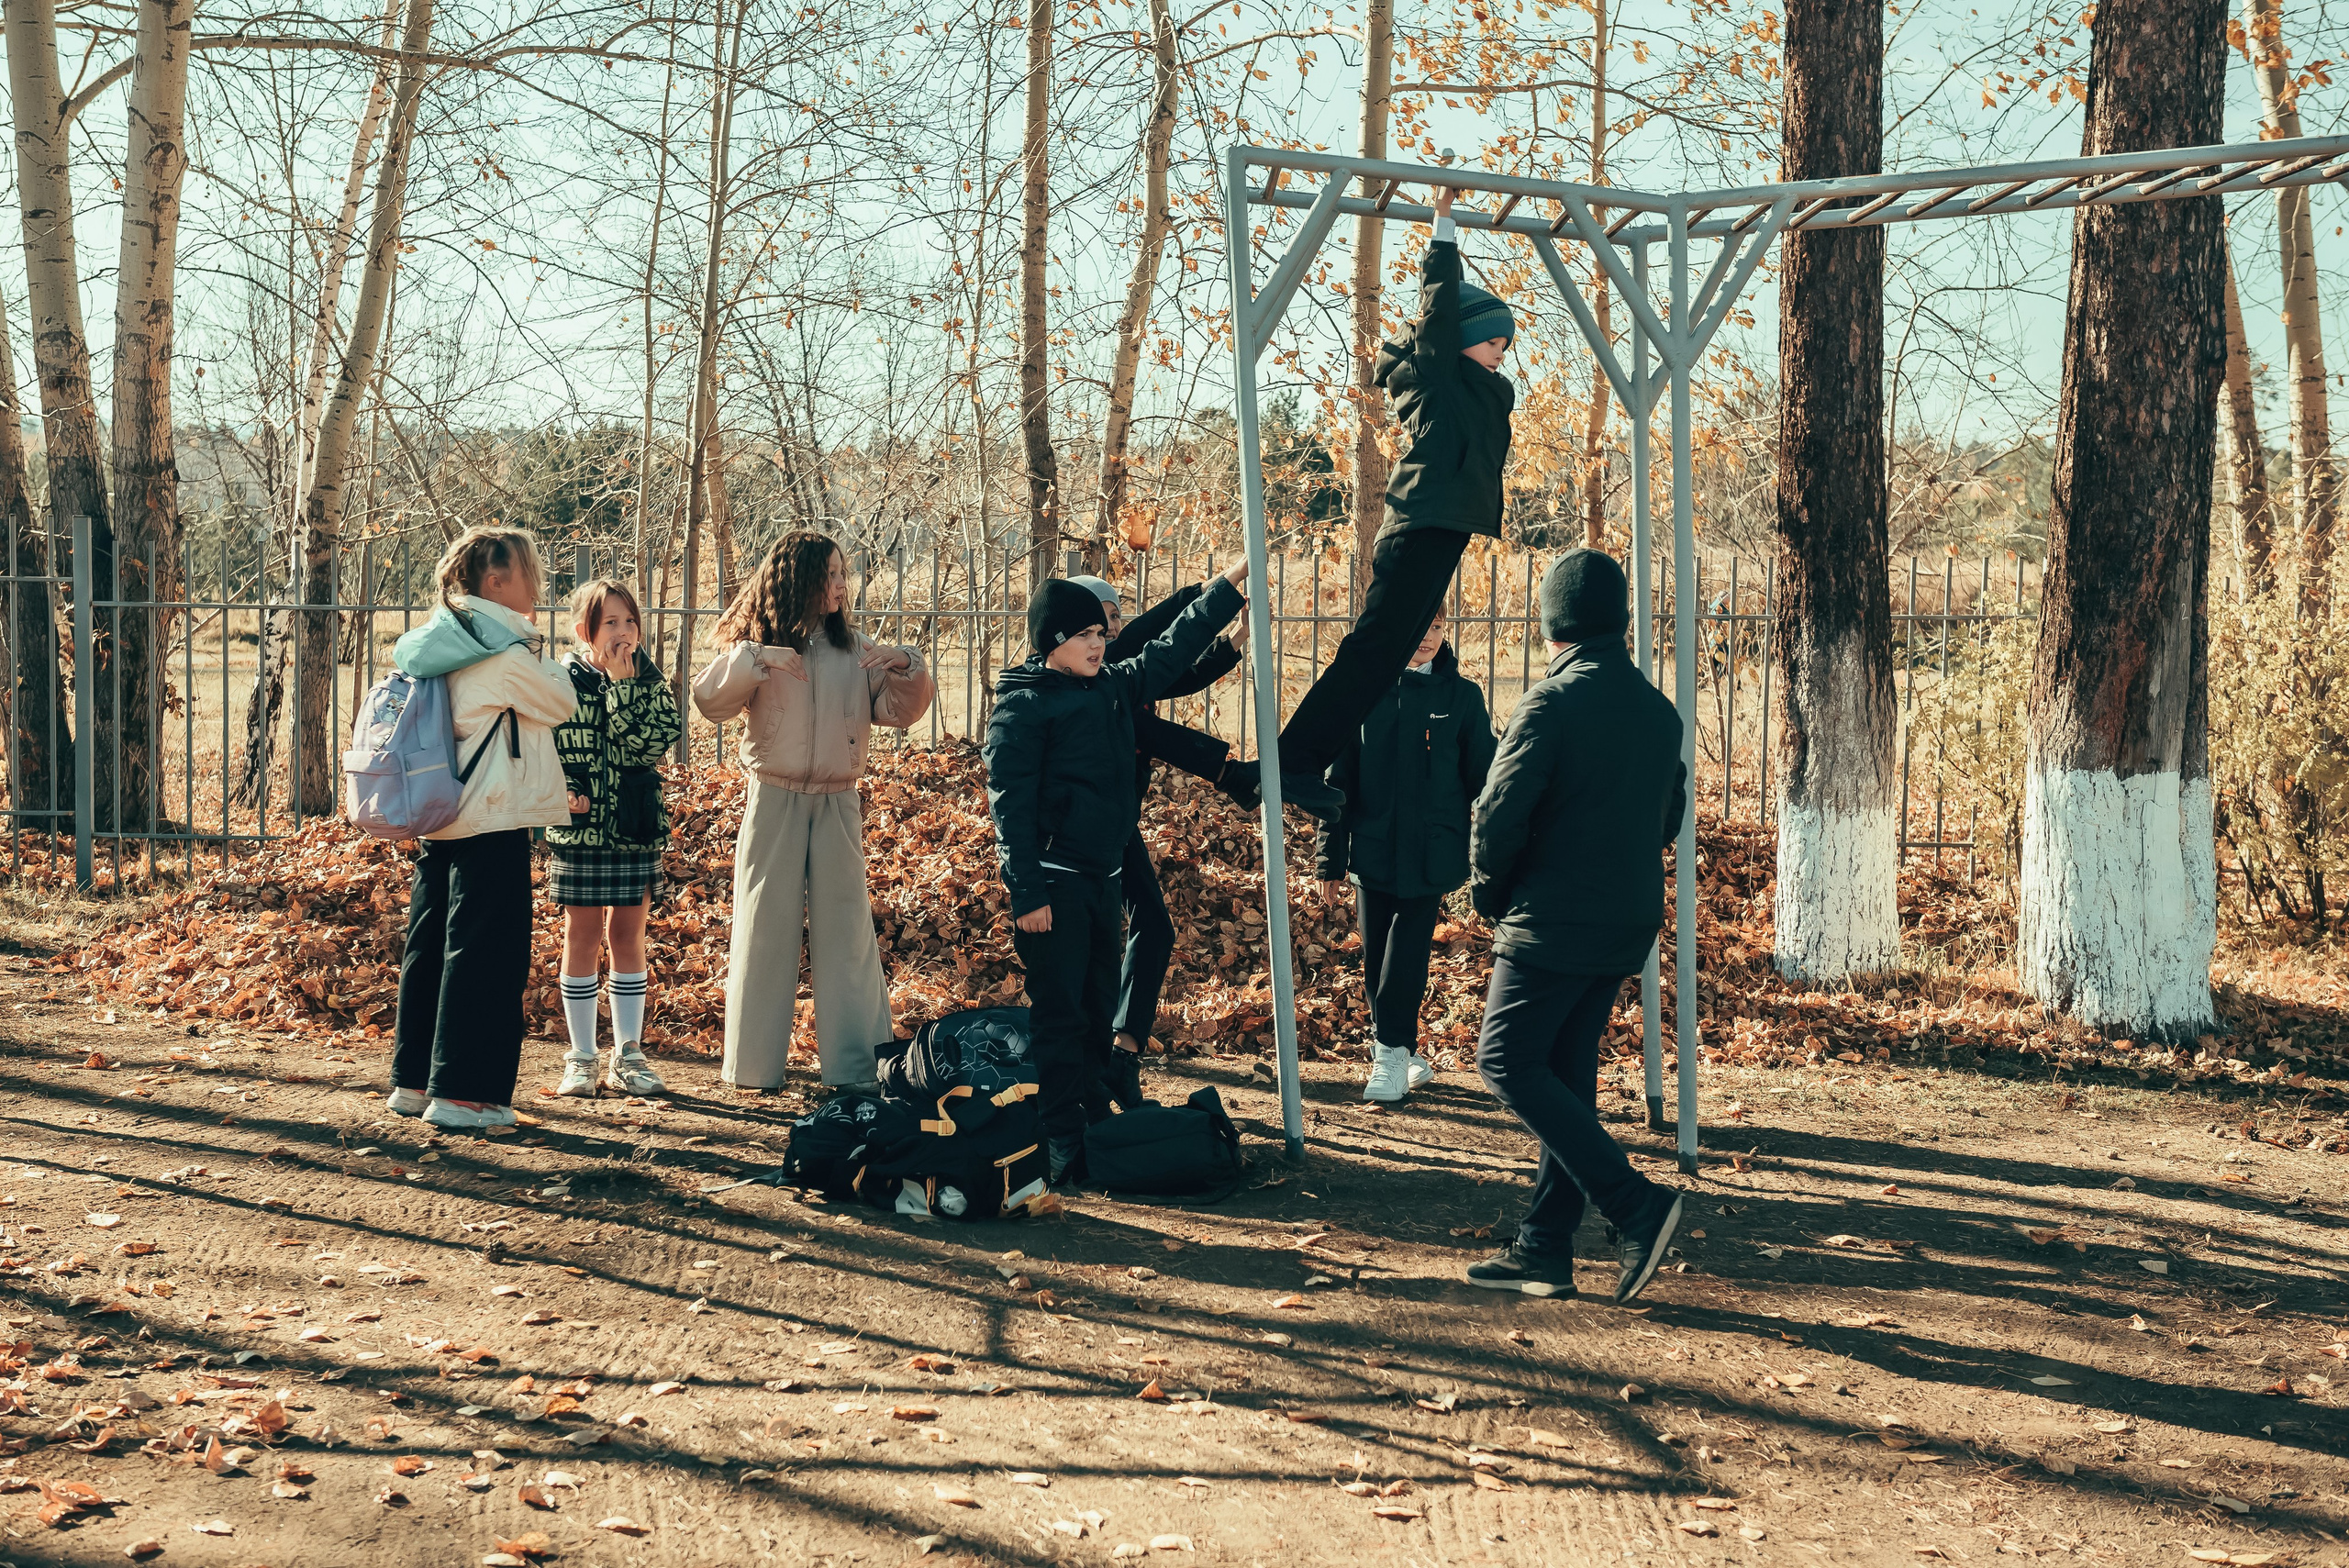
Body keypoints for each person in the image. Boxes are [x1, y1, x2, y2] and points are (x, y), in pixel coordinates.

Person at [1464, 548, 1687, 1305]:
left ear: (1551, 622)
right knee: (1565, 1074)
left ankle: (1635, 1204)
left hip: (1551, 917)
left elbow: (1497, 815)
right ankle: (1545, 1247)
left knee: (1504, 1060)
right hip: (1625, 919)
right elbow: (1670, 817)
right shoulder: (1658, 712)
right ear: (1619, 621)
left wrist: (1490, 895)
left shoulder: (1548, 704)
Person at [985, 561, 1249, 1184]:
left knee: (1100, 1006)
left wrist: (1229, 589)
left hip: (1102, 880)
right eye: (1086, 636)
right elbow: (1010, 806)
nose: (1101, 643)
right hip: (1052, 886)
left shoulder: (1107, 684)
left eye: (1102, 635)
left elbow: (1168, 650)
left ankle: (1091, 1115)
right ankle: (1059, 1136)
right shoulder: (1022, 709)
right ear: (1055, 644)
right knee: (1060, 1014)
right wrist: (1027, 892)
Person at [1272, 186, 1514, 821]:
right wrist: (1443, 230)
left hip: (1447, 526)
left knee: (1381, 661)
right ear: (1459, 340)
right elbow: (1435, 316)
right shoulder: (1439, 378)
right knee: (1373, 651)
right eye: (1493, 341)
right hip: (1420, 525)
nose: (1501, 354)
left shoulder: (1485, 391)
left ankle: (1298, 760)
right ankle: (1291, 759)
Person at [692, 532, 935, 1095]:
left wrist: (908, 664)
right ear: (798, 580)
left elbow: (902, 709)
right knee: (763, 929)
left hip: (838, 801)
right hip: (772, 797)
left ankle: (855, 1072)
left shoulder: (856, 649)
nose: (840, 585)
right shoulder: (760, 647)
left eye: (842, 574)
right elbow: (710, 702)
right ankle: (752, 1070)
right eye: (828, 575)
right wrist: (756, 659)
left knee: (847, 934)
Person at [387, 526, 579, 1131]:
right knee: (486, 952)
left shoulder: (439, 641)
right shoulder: (499, 650)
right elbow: (561, 700)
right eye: (527, 572)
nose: (537, 585)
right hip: (491, 811)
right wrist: (536, 648)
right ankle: (466, 1092)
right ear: (495, 581)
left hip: (440, 811)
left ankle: (415, 1081)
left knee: (430, 946)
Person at [1065, 573, 1256, 1110]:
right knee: (1111, 937)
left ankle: (1122, 1056)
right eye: (1101, 617)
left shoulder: (1113, 668)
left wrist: (1235, 642)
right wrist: (1217, 584)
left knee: (1150, 925)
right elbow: (1160, 641)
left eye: (1116, 617)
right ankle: (1098, 1064)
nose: (1111, 628)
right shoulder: (1093, 674)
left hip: (1117, 822)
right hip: (1085, 830)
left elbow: (1181, 676)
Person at [1313, 606, 1495, 1104]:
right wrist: (1329, 857)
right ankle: (1403, 1049)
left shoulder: (1462, 697)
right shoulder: (1368, 692)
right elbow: (1339, 781)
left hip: (1433, 854)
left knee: (1407, 949)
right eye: (1421, 625)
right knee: (1376, 958)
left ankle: (1389, 1053)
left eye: (1437, 626)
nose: (1428, 637)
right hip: (1373, 851)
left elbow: (1489, 778)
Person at [548, 578, 684, 1098]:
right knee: (580, 935)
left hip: (633, 825)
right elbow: (549, 744)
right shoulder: (563, 680)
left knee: (628, 934)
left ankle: (629, 1052)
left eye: (631, 622)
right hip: (580, 831)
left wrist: (625, 687)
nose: (623, 633)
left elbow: (653, 743)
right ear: (586, 631)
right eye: (611, 623)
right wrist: (563, 789)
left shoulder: (647, 679)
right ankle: (581, 1055)